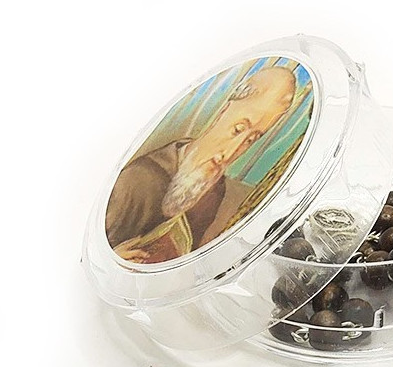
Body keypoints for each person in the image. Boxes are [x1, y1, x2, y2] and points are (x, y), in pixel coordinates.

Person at [105, 64, 298, 262]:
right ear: (223, 112)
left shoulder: (216, 194)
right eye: (238, 130)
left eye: (250, 140)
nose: (229, 153)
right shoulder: (137, 180)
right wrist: (114, 259)